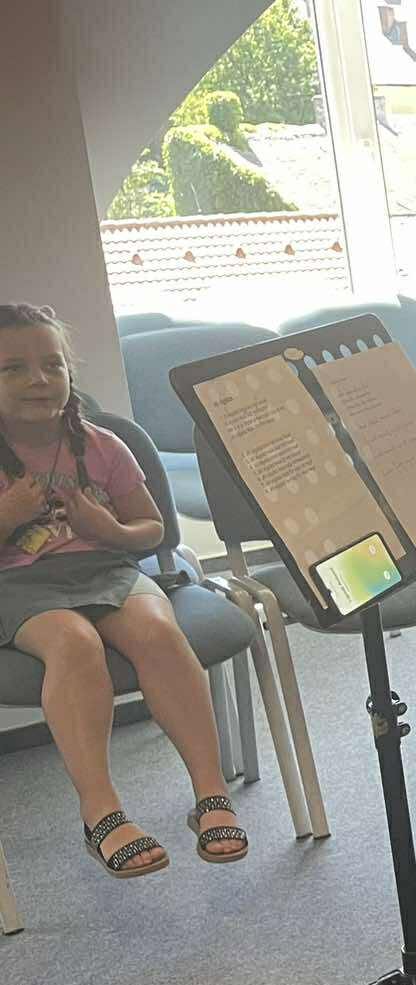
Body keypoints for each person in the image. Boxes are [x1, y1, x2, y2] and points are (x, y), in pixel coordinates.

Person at [0, 303, 247, 877]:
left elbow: (152, 530)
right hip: (18, 584)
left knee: (158, 632)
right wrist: (9, 515)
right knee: (74, 643)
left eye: (52, 364)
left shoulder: (102, 444)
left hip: (108, 567)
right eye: (13, 368)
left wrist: (106, 528)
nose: (39, 380)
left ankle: (211, 793)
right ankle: (101, 811)